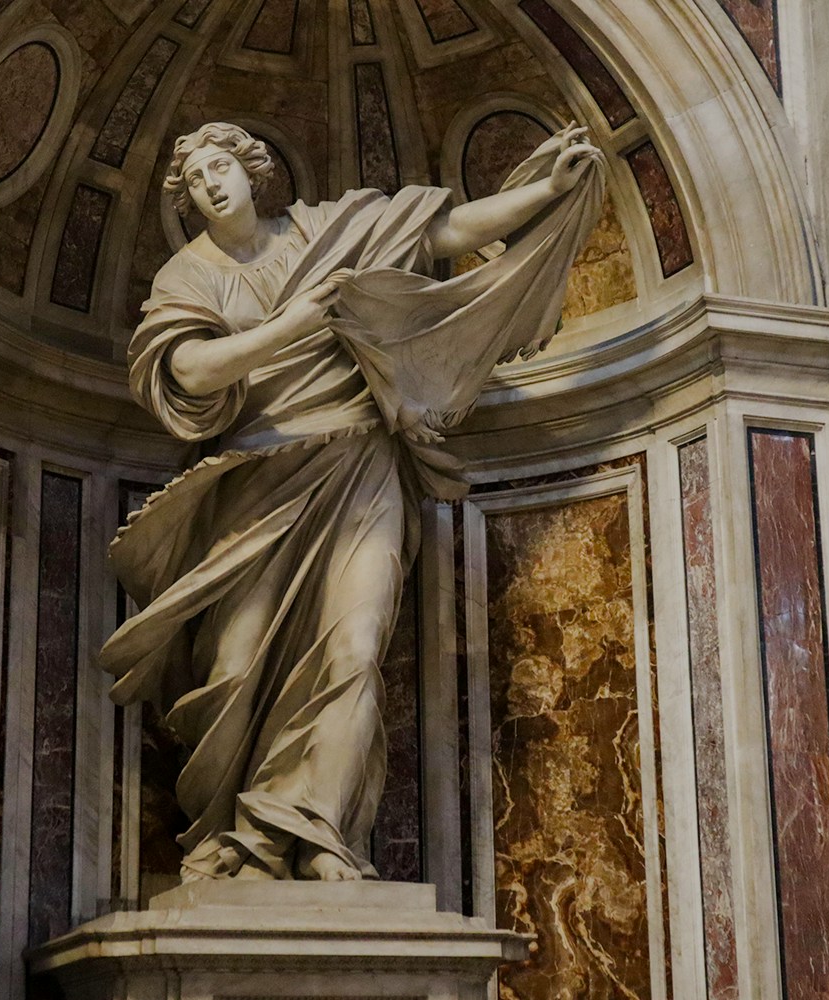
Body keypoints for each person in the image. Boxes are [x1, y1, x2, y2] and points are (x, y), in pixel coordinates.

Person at [100, 120, 603, 882]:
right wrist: (289, 329)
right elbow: (189, 371)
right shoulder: (187, 278)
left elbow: (442, 231)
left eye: (221, 166)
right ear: (188, 201)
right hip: (252, 488)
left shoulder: (330, 231)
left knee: (357, 648)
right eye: (196, 177)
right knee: (235, 667)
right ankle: (241, 836)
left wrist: (545, 190)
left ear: (251, 171)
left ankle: (321, 833)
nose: (211, 182)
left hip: (361, 468)